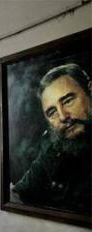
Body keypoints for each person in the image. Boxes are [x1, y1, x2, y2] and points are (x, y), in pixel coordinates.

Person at [12, 63, 91, 215]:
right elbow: (20, 192)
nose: (63, 116)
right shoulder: (54, 146)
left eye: (68, 100)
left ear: (90, 90)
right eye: (52, 112)